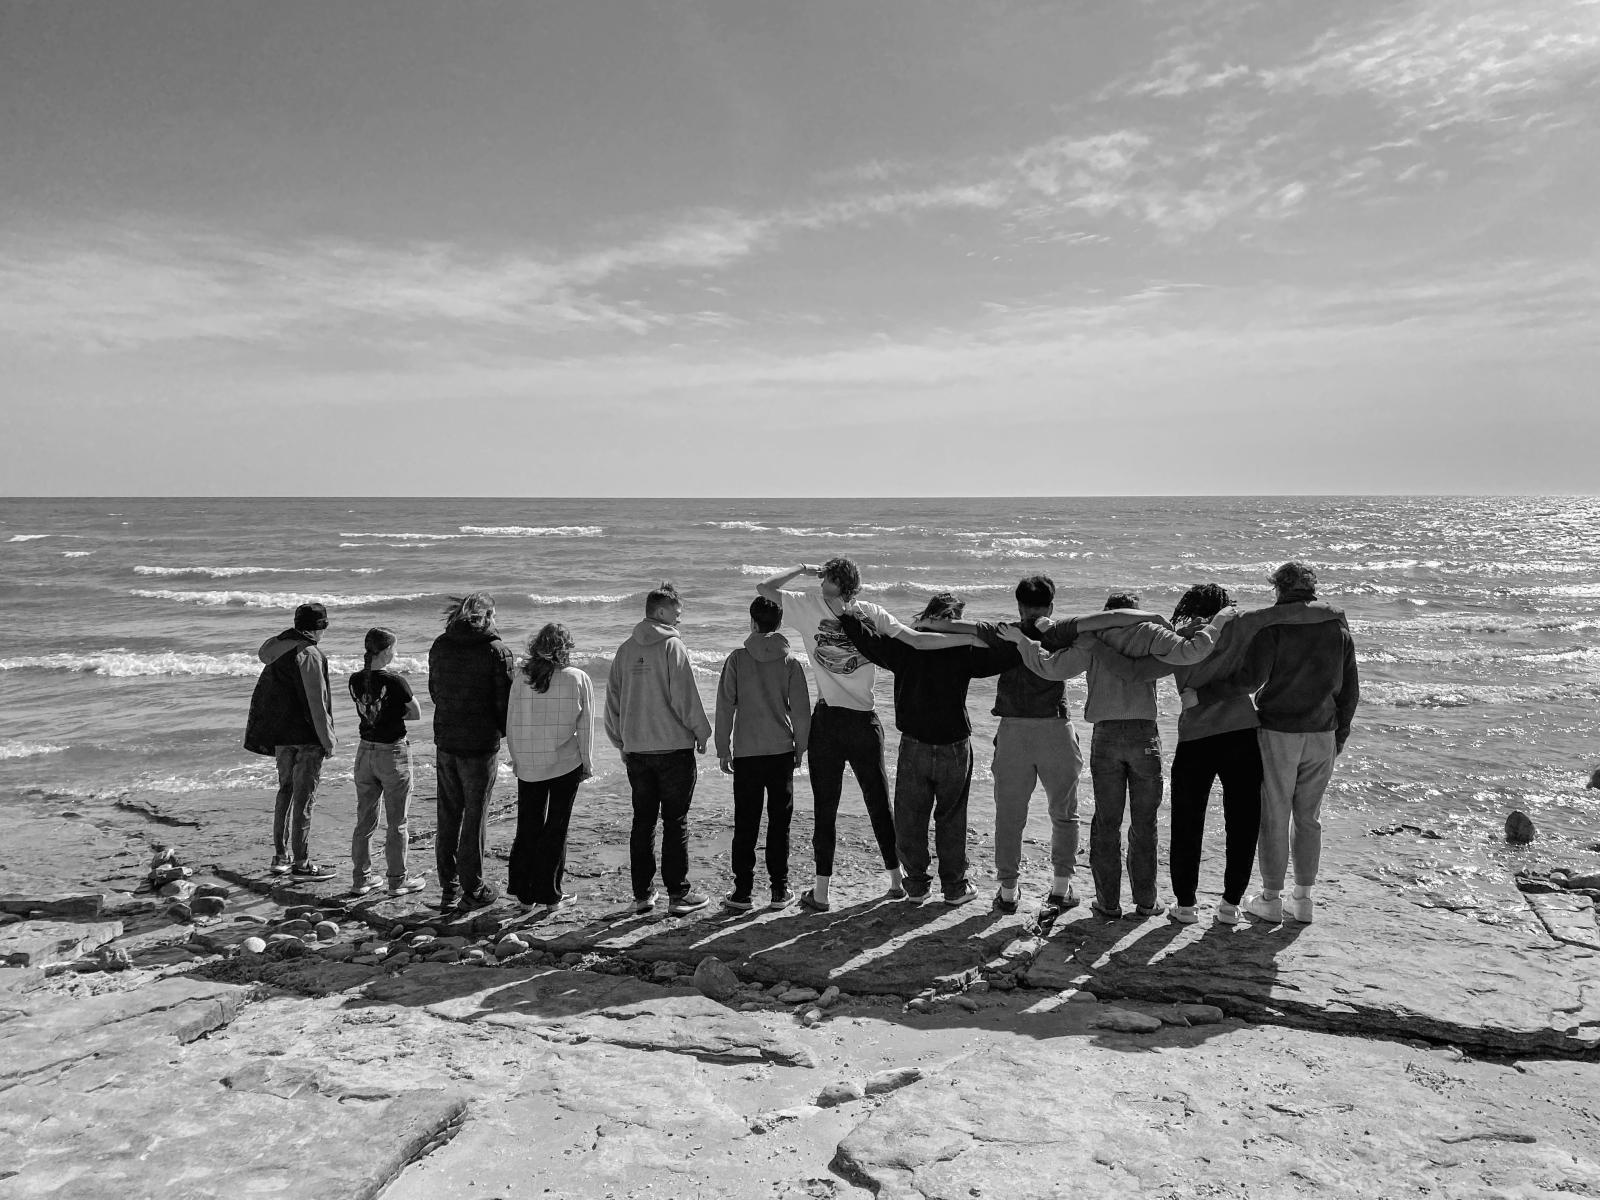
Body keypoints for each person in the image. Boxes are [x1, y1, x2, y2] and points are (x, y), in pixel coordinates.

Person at [758, 559, 976, 912]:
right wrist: (973, 638)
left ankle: (853, 888)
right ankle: (868, 887)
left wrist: (800, 568)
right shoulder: (853, 609)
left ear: (833, 581)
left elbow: (916, 640)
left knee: (858, 806)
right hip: (852, 721)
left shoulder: (846, 609)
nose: (820, 579)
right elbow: (916, 641)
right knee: (864, 805)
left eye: (825, 575)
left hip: (841, 721)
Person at [1000, 592, 1234, 920]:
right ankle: (1147, 902)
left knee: (1107, 823)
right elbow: (1192, 652)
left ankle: (1108, 903)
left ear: (1105, 614)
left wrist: (1025, 643)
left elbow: (1051, 669)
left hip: (1106, 736)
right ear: (1135, 612)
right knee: (1144, 823)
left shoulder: (1093, 636)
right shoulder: (1150, 633)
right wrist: (1219, 621)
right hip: (1143, 735)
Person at [1201, 562, 1360, 924]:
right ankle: (1303, 899)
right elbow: (1350, 690)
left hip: (1278, 731)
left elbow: (1249, 681)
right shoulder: (1337, 627)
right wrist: (1341, 734)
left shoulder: (1274, 627)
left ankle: (1271, 897)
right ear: (1311, 587)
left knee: (1275, 815)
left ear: (1279, 589)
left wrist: (1207, 689)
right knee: (1309, 818)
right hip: (1323, 732)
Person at [840, 593, 1019, 906]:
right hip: (954, 745)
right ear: (955, 619)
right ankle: (954, 888)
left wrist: (846, 614)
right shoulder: (963, 649)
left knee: (910, 818)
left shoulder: (905, 645)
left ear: (927, 615)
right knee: (952, 818)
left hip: (914, 744)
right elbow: (1007, 654)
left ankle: (917, 886)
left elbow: (869, 641)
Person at [967, 576, 1086, 918]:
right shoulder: (1062, 634)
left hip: (1014, 731)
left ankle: (1007, 893)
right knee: (1064, 813)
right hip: (1055, 730)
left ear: (1018, 606)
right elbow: (1093, 633)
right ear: (1051, 606)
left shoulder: (1004, 632)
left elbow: (965, 630)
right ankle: (1061, 889)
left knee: (1009, 815)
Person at [605, 582, 713, 916]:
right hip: (672, 749)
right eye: (677, 614)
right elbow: (685, 697)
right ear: (661, 612)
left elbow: (612, 702)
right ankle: (678, 896)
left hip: (637, 751)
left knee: (643, 821)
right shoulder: (673, 648)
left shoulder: (625, 649)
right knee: (675, 821)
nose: (679, 620)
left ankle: (643, 895)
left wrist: (620, 740)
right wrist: (702, 731)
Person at [713, 596, 811, 911]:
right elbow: (801, 713)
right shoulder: (791, 663)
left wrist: (722, 747)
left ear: (752, 622)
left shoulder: (738, 659)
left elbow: (725, 706)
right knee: (779, 823)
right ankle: (779, 891)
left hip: (747, 752)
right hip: (780, 750)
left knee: (746, 823)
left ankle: (742, 892)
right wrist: (801, 746)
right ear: (779, 624)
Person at [429, 592, 514, 914]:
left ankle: (449, 886)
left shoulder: (441, 644)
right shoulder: (496, 651)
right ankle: (474, 886)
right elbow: (505, 703)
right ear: (488, 615)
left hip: (446, 737)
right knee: (475, 816)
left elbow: (435, 690)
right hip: (479, 744)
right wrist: (502, 732)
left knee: (448, 814)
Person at [244, 601, 338, 880]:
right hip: (307, 738)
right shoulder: (309, 654)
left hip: (280, 735)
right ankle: (302, 863)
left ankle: (280, 857)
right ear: (319, 628)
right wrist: (328, 738)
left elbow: (269, 646)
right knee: (304, 798)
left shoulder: (277, 649)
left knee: (285, 791)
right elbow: (316, 704)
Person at [505, 622, 594, 911]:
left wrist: (515, 756)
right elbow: (586, 727)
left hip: (529, 760)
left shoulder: (521, 678)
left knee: (528, 825)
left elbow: (512, 722)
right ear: (565, 648)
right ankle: (550, 894)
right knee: (556, 827)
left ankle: (523, 893)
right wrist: (587, 762)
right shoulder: (577, 678)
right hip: (565, 762)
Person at [347, 627, 427, 898]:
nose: (396, 653)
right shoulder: (395, 681)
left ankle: (361, 879)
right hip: (392, 752)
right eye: (394, 648)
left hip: (364, 751)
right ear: (384, 652)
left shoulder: (355, 679)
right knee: (397, 822)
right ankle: (397, 879)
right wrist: (395, 712)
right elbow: (415, 713)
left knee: (365, 820)